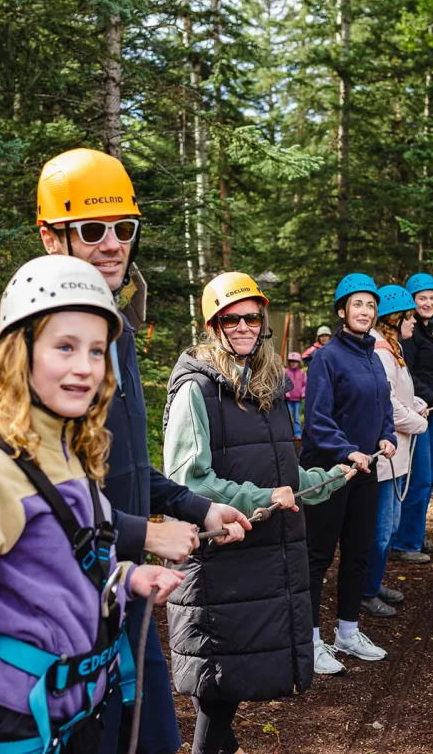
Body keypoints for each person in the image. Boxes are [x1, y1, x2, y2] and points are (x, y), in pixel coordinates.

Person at [0, 148, 251, 754]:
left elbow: (122, 465)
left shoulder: (110, 341)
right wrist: (139, 534)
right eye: (92, 230)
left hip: (125, 597)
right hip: (56, 617)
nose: (113, 243)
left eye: (124, 228)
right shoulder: (16, 345)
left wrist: (196, 508)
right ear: (50, 237)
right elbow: (20, 497)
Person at [0, 255, 192, 754]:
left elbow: (58, 573)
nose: (85, 366)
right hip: (13, 731)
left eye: (98, 350)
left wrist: (125, 580)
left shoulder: (73, 456)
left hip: (78, 721)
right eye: (64, 346)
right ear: (20, 353)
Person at [161, 272, 356, 754]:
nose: (245, 326)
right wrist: (263, 498)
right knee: (217, 679)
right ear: (213, 325)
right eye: (232, 318)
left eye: (252, 317)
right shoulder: (197, 391)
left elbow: (282, 473)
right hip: (218, 556)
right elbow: (188, 481)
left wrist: (326, 479)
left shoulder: (264, 385)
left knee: (233, 678)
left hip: (263, 554)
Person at [301, 273, 397, 676]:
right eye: (357, 304)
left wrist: (387, 436)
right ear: (342, 311)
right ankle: (309, 640)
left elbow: (383, 407)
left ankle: (348, 632)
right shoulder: (326, 357)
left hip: (366, 471)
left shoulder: (374, 356)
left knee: (358, 553)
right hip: (328, 472)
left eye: (371, 306)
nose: (365, 311)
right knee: (318, 557)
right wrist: (347, 450)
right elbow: (317, 420)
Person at [361, 285, 428, 619]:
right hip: (385, 456)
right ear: (395, 317)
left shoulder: (392, 350)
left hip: (396, 455)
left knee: (390, 524)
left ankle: (374, 581)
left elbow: (400, 396)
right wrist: (418, 423)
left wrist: (418, 405)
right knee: (381, 528)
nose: (414, 322)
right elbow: (386, 403)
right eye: (409, 316)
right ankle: (366, 590)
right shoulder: (382, 353)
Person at [393, 272, 433, 563]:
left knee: (427, 478)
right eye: (422, 298)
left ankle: (415, 534)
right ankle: (404, 542)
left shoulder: (429, 331)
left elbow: (432, 374)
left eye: (432, 297)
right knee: (417, 479)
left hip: (429, 411)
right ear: (412, 302)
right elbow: (411, 376)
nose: (428, 303)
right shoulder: (409, 334)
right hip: (416, 411)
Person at [284, 351, 306, 439]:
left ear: (299, 362)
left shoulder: (301, 373)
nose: (293, 363)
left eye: (295, 361)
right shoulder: (285, 372)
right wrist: (287, 393)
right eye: (291, 361)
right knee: (288, 416)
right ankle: (288, 434)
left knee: (297, 417)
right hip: (288, 399)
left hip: (298, 399)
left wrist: (303, 392)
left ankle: (297, 433)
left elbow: (305, 384)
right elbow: (283, 383)